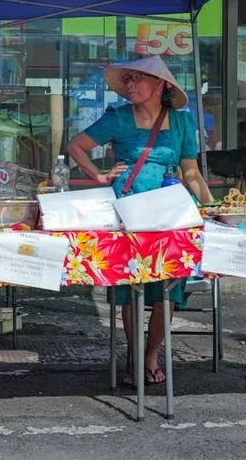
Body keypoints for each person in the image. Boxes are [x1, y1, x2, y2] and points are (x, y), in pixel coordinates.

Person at [65, 55, 213, 387]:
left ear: (160, 85)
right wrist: (99, 176)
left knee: (169, 288)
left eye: (137, 79)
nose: (130, 85)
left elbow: (191, 171)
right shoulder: (117, 119)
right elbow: (76, 146)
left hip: (172, 214)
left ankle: (151, 354)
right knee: (130, 287)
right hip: (128, 212)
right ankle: (134, 352)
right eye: (127, 79)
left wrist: (209, 209)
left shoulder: (180, 122)